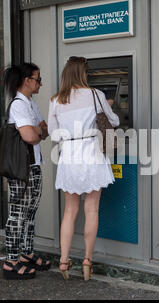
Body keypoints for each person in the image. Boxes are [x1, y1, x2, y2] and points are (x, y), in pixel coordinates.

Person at [48, 56, 120, 281]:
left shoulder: (55, 100)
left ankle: (63, 260)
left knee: (69, 211)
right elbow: (115, 121)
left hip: (69, 154)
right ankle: (87, 261)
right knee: (92, 209)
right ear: (83, 73)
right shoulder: (96, 95)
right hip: (91, 152)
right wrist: (108, 106)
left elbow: (53, 132)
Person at [2, 63, 51, 280]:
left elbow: (43, 128)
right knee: (17, 214)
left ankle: (26, 254)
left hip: (33, 164)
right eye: (38, 79)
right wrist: (39, 131)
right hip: (20, 169)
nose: (40, 83)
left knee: (30, 212)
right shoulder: (18, 105)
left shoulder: (31, 103)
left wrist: (38, 131)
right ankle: (11, 261)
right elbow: (30, 136)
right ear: (26, 80)